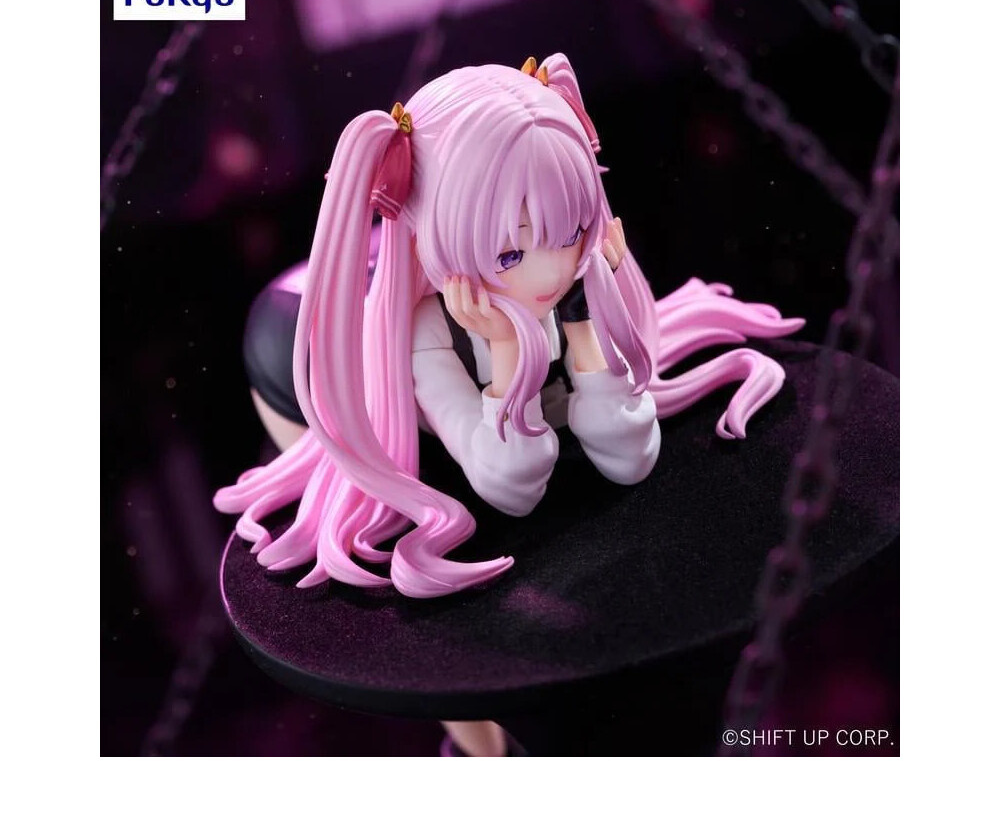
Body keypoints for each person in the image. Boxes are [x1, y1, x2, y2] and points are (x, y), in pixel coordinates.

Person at [215, 54, 804, 607]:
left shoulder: (577, 274)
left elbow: (632, 458)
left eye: (571, 231)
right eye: (511, 254)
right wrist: (504, 347)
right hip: (297, 341)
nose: (550, 273)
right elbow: (511, 490)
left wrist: (583, 320)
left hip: (435, 252)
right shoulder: (425, 328)